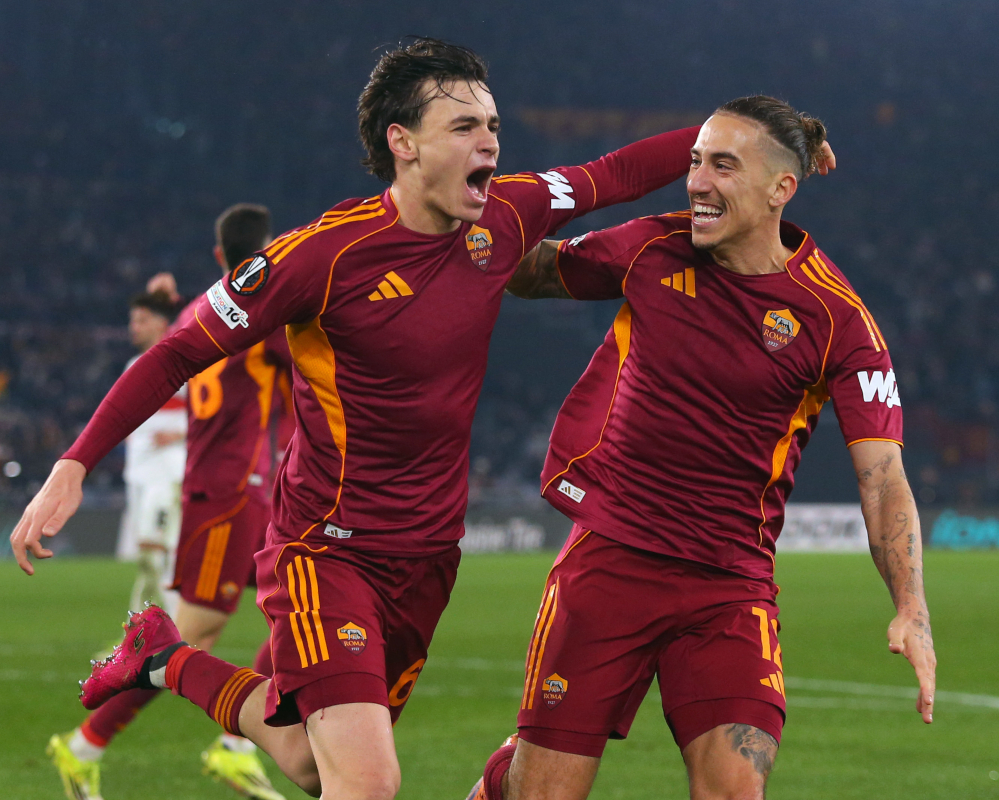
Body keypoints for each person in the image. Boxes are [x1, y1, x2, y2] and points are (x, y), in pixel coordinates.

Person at [13, 38, 709, 800]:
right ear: (402, 144)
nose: (490, 141)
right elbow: (176, 352)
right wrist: (74, 464)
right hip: (325, 547)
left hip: (429, 557)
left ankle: (162, 656)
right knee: (369, 784)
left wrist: (733, 136)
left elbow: (614, 175)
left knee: (312, 764)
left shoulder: (506, 214)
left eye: (494, 124)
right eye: (464, 126)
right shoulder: (322, 257)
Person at [469, 96, 934, 800]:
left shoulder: (838, 319)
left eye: (723, 165)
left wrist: (911, 605)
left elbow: (882, 477)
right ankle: (509, 777)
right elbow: (533, 272)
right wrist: (464, 225)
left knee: (733, 791)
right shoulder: (656, 246)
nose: (697, 182)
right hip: (611, 562)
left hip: (729, 584)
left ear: (782, 187)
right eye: (693, 163)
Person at [46, 205, 291, 800]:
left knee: (299, 609)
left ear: (217, 258)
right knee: (186, 639)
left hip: (248, 489)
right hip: (228, 494)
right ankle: (83, 747)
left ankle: (233, 747)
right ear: (272, 250)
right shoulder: (270, 321)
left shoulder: (204, 310)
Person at [117, 292, 188, 614]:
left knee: (157, 554)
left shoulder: (183, 365)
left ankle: (164, 632)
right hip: (139, 474)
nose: (134, 327)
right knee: (151, 558)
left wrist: (181, 432)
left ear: (162, 324)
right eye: (133, 320)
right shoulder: (133, 366)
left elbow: (213, 411)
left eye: (142, 320)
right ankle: (149, 631)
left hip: (169, 473)